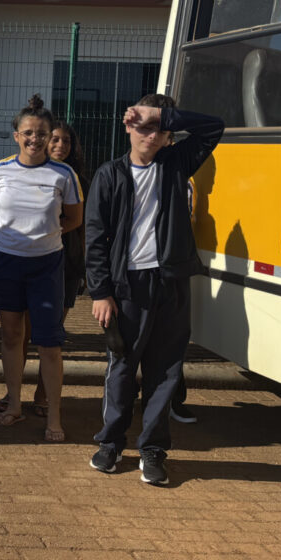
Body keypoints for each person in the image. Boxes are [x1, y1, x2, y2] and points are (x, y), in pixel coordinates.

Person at [86, 94, 223, 485]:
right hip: (127, 287)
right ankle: (110, 443)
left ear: (168, 136)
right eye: (143, 126)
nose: (151, 135)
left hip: (172, 283)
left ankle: (152, 450)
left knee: (165, 371)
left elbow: (214, 127)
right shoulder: (110, 174)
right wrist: (100, 292)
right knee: (123, 367)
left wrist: (162, 114)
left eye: (159, 129)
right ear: (128, 127)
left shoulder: (177, 163)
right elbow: (95, 238)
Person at [0, 94, 82, 443]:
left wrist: (45, 235)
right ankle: (14, 405)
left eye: (42, 133)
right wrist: (5, 242)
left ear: (49, 134)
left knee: (48, 343)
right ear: (16, 135)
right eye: (28, 133)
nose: (35, 139)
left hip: (46, 267)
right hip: (5, 262)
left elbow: (74, 218)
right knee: (11, 336)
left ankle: (54, 415)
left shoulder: (64, 174)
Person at [0, 120, 89, 417]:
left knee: (49, 335)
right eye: (56, 140)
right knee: (18, 332)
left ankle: (42, 396)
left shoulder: (74, 179)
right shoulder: (14, 173)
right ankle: (14, 396)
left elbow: (83, 224)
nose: (61, 146)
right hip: (25, 260)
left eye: (67, 142)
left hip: (66, 261)